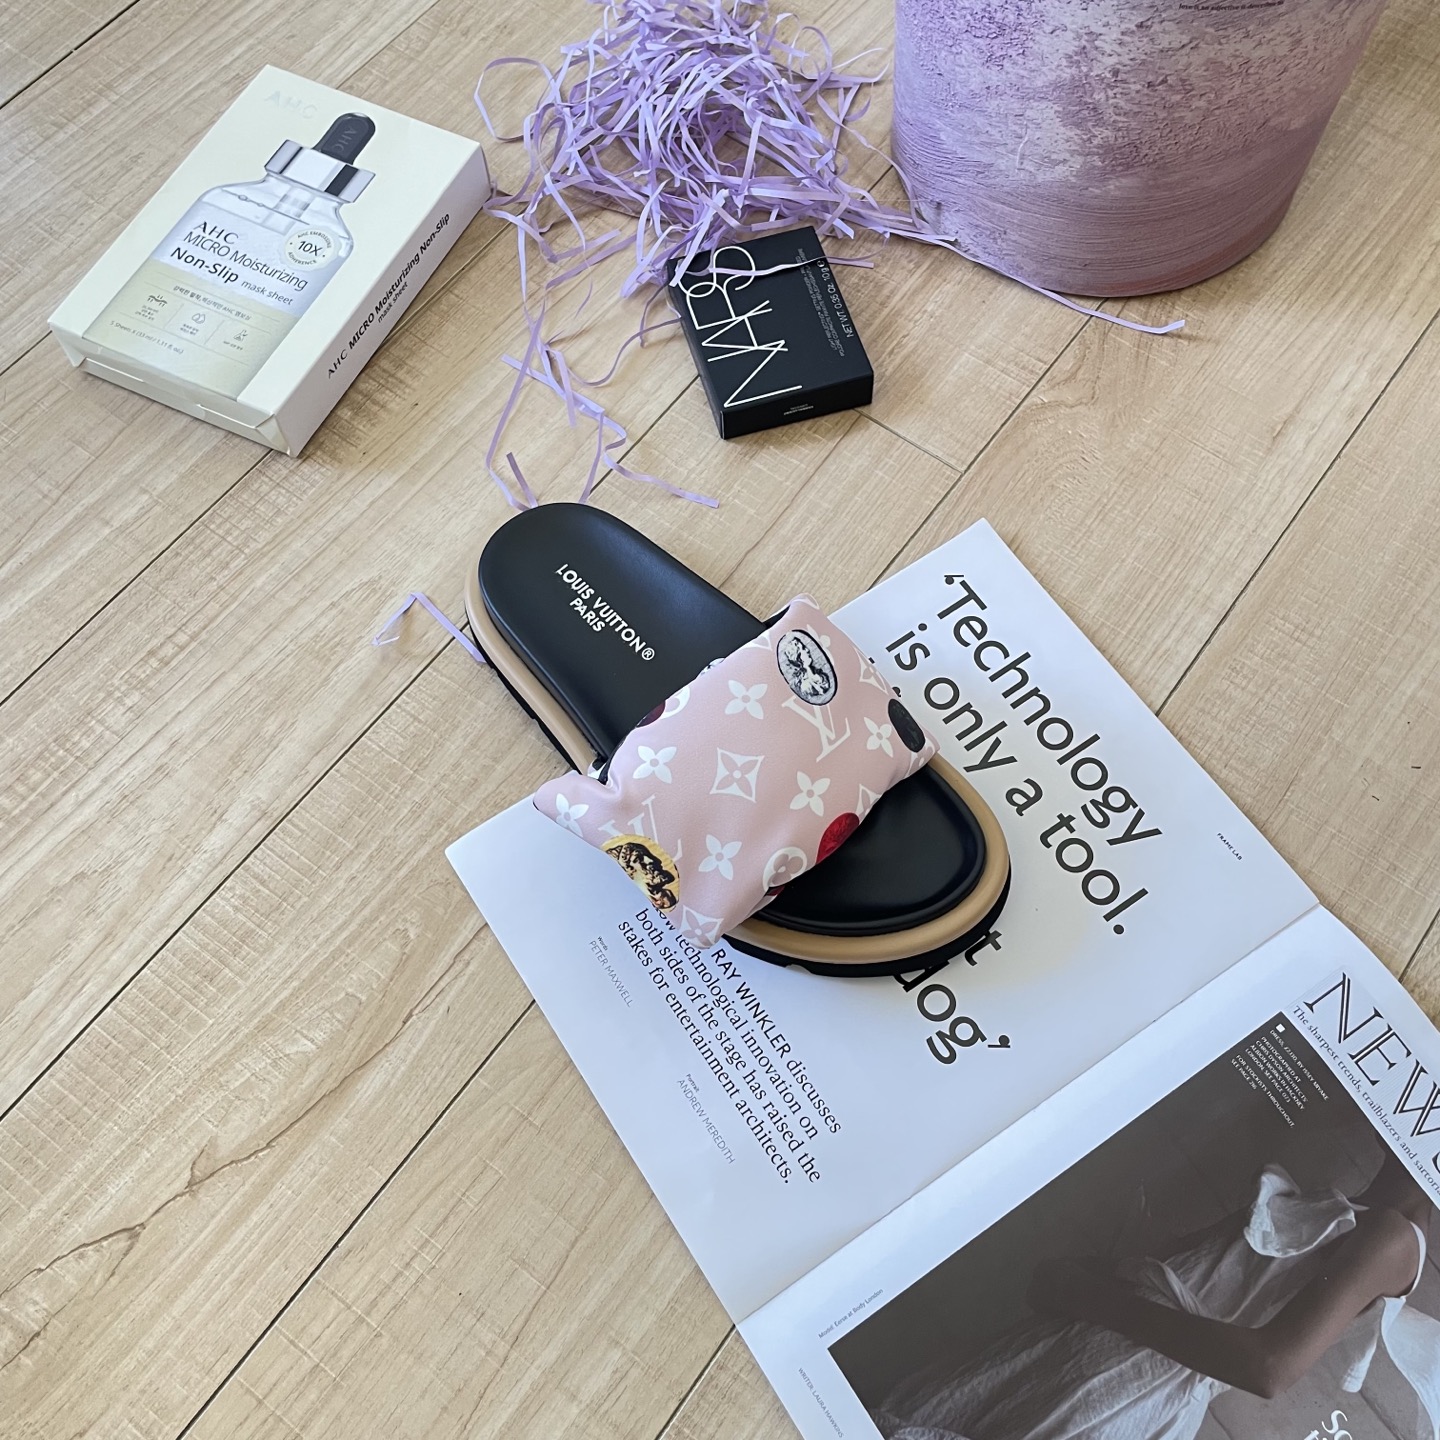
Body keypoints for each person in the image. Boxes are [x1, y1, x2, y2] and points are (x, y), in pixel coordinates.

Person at [870, 1151, 1438, 1440]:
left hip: (1127, 1383)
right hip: (1099, 1343)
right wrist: (1094, 1278)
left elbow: (1269, 1367)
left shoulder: (1392, 1237)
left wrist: (1092, 1298)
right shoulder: (1368, 1208)